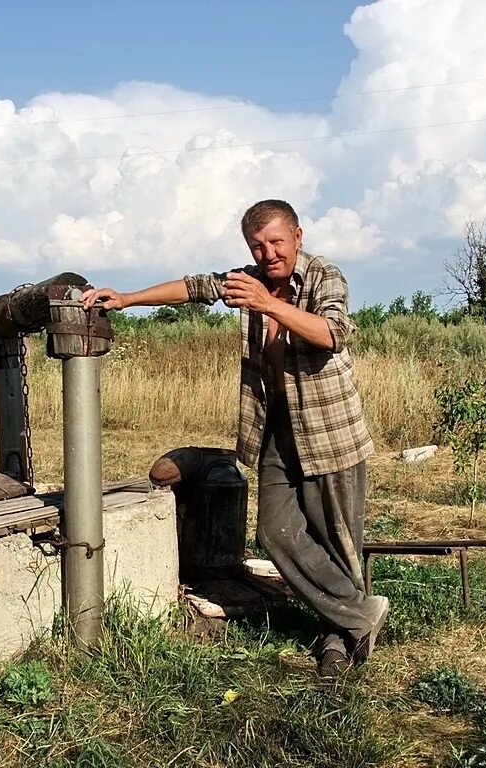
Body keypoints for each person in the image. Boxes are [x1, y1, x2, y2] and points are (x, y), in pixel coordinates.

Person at [81, 199, 388, 679]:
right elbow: (193, 287)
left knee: (336, 539)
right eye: (257, 246)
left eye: (276, 243)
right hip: (275, 429)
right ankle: (361, 611)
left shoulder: (326, 276)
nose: (268, 255)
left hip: (329, 432)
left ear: (298, 237)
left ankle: (337, 639)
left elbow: (333, 333)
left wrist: (270, 305)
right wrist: (126, 299)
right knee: (273, 530)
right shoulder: (249, 279)